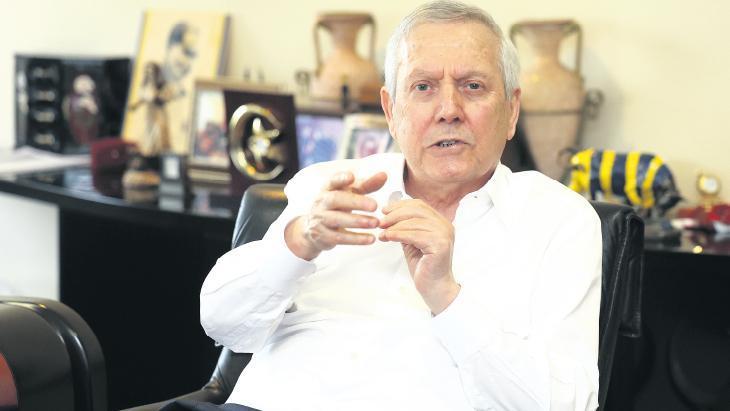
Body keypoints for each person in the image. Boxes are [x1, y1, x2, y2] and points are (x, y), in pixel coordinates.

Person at [198, 1, 602, 410]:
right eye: (423, 87)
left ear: (512, 110)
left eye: (472, 86)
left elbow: (567, 404)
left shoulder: (558, 221)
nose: (449, 111)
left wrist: (447, 297)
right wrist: (298, 242)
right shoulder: (328, 188)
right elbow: (222, 324)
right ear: (391, 110)